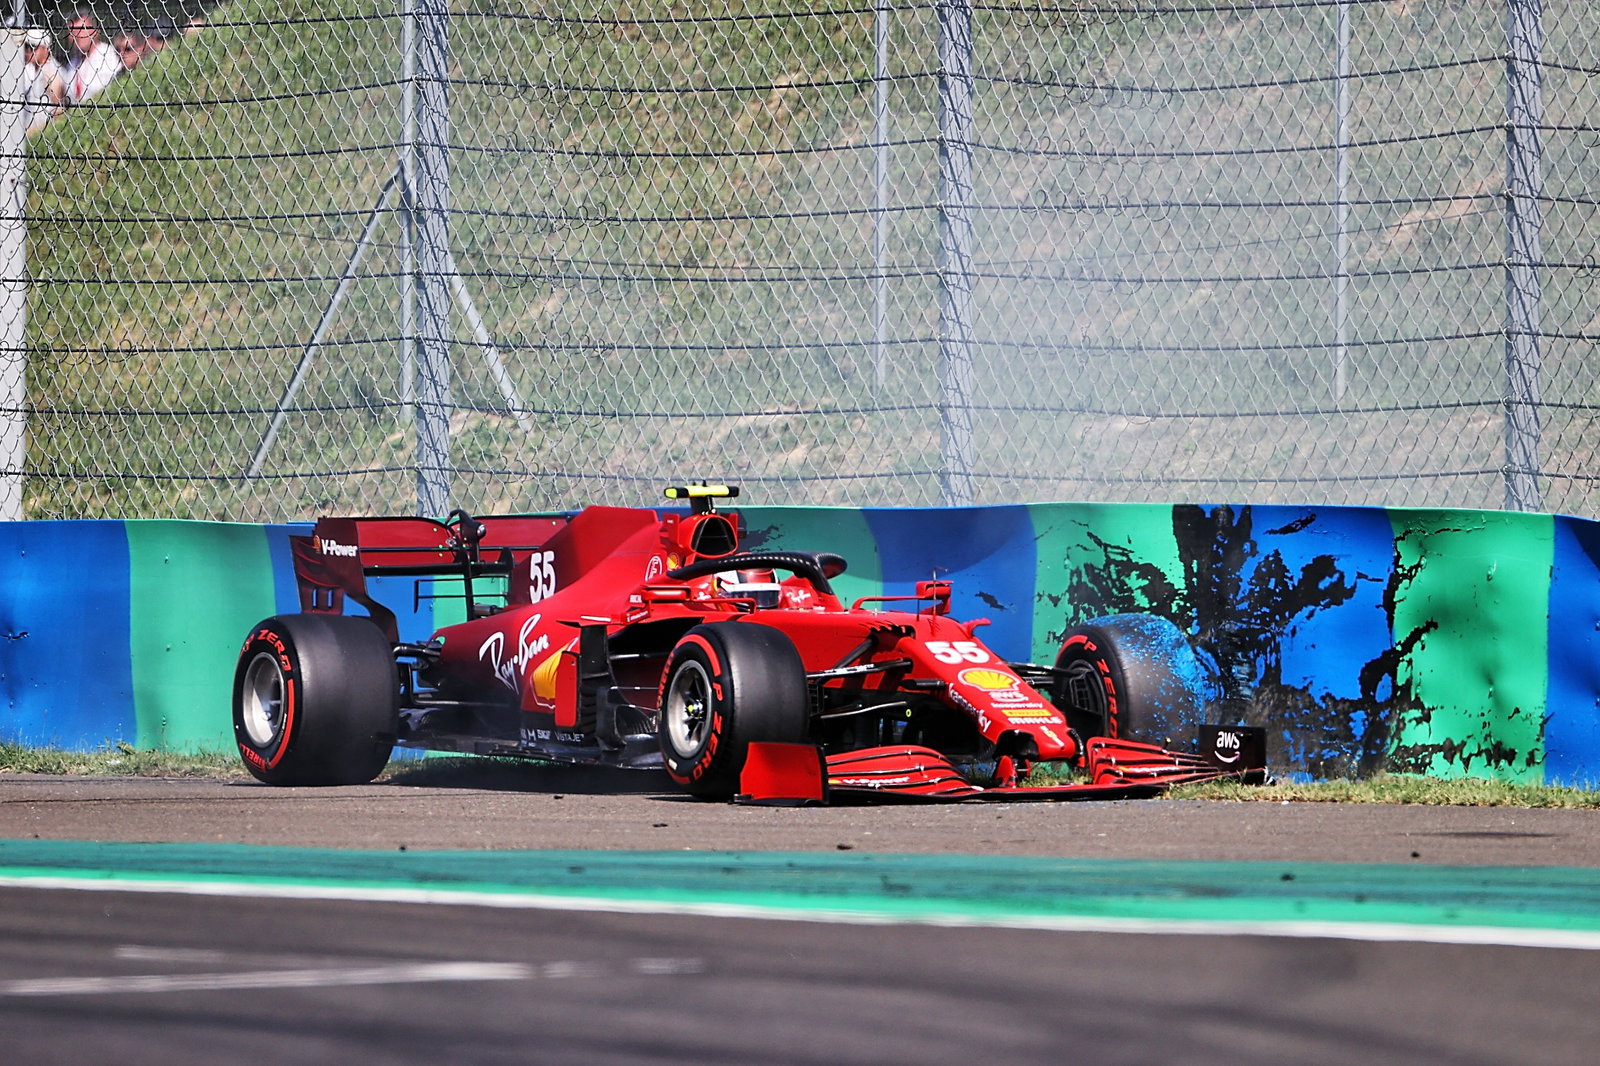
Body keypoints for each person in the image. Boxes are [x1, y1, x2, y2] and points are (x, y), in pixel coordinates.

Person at [63, 10, 121, 104]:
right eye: (72, 32)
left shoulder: (109, 56)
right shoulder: (72, 64)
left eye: (82, 30)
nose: (77, 36)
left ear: (95, 31)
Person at [22, 28, 65, 133]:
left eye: (33, 46)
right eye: (26, 46)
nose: (28, 50)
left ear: (45, 49)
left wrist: (40, 132)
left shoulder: (51, 72)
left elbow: (59, 111)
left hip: (45, 135)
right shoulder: (32, 70)